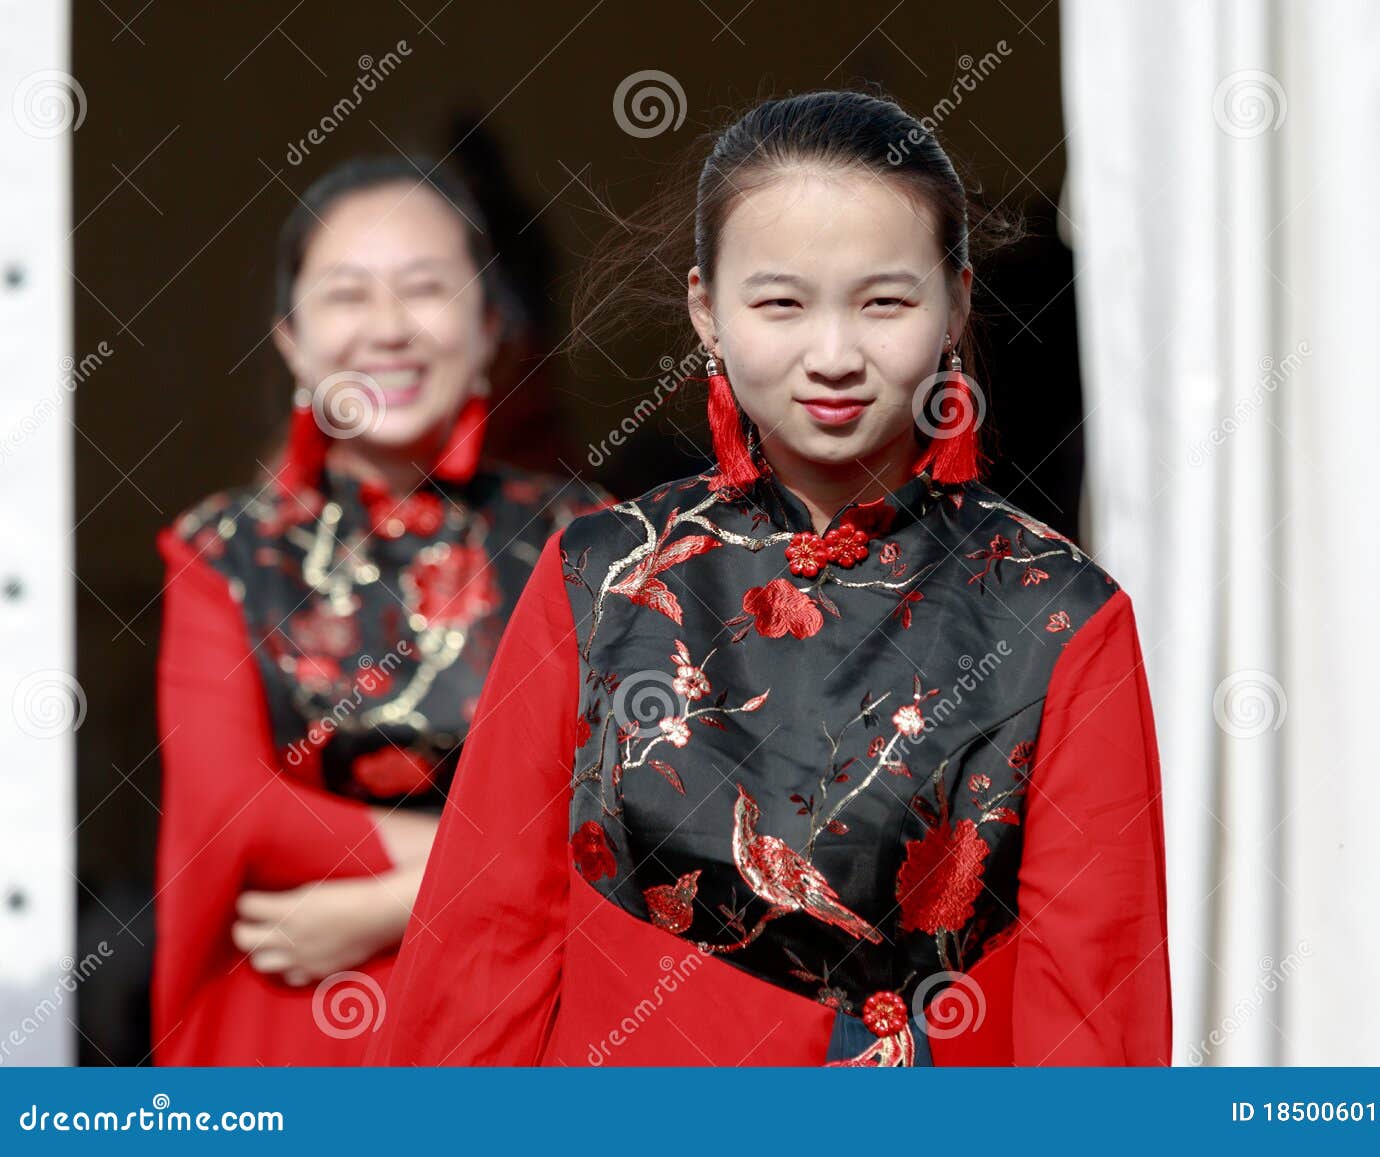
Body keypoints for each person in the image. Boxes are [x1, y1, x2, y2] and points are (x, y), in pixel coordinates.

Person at [368, 91, 1171, 1067]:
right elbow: (484, 947)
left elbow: (1092, 1009)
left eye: (884, 300)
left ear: (957, 303)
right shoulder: (602, 575)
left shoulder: (1057, 613)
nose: (832, 354)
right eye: (780, 301)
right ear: (706, 309)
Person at [153, 155, 608, 1065]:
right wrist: (490, 863)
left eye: (427, 289)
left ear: (488, 328)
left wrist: (389, 900)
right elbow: (234, 814)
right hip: (286, 1021)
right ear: (292, 338)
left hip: (513, 1017)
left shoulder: (587, 539)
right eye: (348, 294)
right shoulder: (222, 551)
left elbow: (615, 817)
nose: (389, 329)